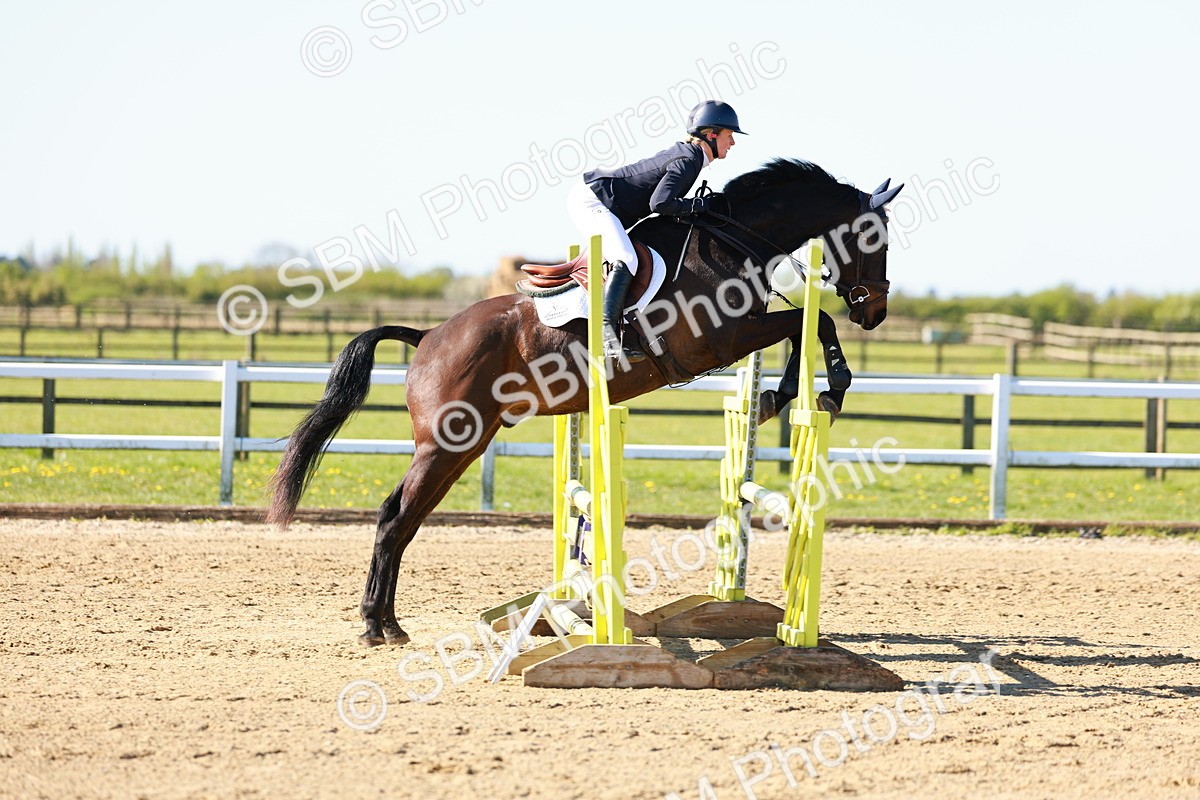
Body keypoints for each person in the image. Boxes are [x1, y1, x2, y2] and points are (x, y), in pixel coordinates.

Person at [568, 100, 746, 362]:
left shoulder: (691, 157)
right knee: (627, 258)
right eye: (729, 136)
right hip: (593, 200)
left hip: (601, 200)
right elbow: (660, 203)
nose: (732, 143)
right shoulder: (688, 160)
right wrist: (699, 205)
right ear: (711, 135)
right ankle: (606, 336)